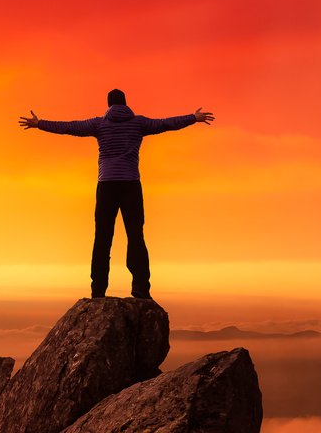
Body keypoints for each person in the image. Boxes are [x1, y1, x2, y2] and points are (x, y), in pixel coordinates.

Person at [19, 89, 214, 300]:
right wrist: (193, 118)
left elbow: (69, 127)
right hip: (131, 185)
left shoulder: (99, 124)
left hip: (107, 186)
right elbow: (166, 123)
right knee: (135, 237)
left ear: (109, 105)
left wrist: (40, 124)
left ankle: (98, 291)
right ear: (125, 103)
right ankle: (141, 289)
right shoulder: (139, 123)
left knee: (102, 238)